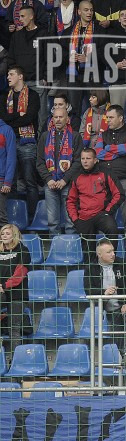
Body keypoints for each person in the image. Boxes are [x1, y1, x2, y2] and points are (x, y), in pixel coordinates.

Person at [85, 238, 126, 386]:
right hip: (112, 313)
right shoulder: (91, 268)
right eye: (109, 252)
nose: (113, 254)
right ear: (99, 254)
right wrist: (103, 292)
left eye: (113, 251)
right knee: (122, 347)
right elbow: (88, 290)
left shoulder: (123, 264)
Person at [93, 104, 126, 240]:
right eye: (107, 117)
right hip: (105, 181)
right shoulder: (103, 134)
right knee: (103, 218)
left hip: (125, 180)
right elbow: (98, 153)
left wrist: (108, 148)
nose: (108, 120)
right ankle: (105, 250)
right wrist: (117, 152)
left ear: (121, 118)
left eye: (111, 117)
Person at [0, 65, 40, 220]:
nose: (8, 77)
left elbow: (29, 118)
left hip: (27, 142)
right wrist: (19, 115)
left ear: (20, 76)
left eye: (11, 74)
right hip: (8, 141)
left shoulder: (33, 95)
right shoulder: (4, 96)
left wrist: (12, 121)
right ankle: (14, 218)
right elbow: (3, 118)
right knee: (11, 182)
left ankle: (32, 218)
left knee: (30, 181)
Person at [66, 148, 122, 256]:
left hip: (101, 214)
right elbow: (70, 201)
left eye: (88, 158)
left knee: (112, 229)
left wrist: (107, 211)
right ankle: (91, 265)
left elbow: (119, 194)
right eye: (83, 158)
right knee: (88, 256)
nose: (85, 161)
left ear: (95, 160)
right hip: (84, 217)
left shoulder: (106, 173)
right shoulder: (76, 176)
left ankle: (109, 260)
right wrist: (76, 220)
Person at [36, 107, 82, 236]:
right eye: (55, 117)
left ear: (67, 119)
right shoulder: (45, 136)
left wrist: (64, 180)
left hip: (68, 184)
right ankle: (54, 247)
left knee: (70, 221)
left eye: (61, 117)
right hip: (50, 184)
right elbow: (39, 162)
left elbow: (78, 162)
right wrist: (48, 179)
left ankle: (70, 246)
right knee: (52, 222)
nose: (58, 119)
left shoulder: (75, 136)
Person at [7, 6, 48, 128]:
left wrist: (46, 77)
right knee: (20, 114)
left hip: (38, 82)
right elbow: (11, 59)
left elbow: (50, 57)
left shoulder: (43, 34)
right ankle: (19, 138)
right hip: (21, 84)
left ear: (31, 16)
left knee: (41, 115)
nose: (20, 19)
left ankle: (40, 139)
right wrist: (14, 77)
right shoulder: (16, 36)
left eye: (22, 16)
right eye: (19, 16)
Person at [0, 224, 29, 358]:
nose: (4, 236)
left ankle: (15, 360)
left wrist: (4, 285)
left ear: (14, 235)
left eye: (7, 233)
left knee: (14, 329)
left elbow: (20, 274)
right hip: (1, 292)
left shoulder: (23, 250)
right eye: (2, 233)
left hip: (17, 294)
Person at [0, 116, 16, 225]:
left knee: (2, 218)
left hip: (1, 181)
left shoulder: (7, 130)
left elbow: (11, 157)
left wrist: (7, 182)